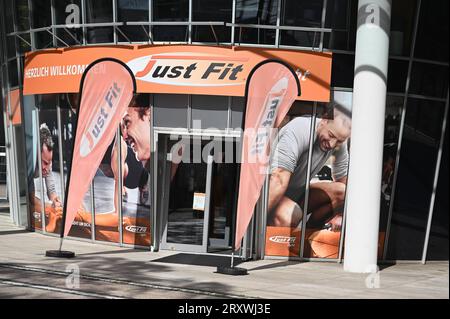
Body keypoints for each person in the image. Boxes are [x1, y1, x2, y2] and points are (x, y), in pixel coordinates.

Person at [267, 107, 351, 231]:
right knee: (289, 215)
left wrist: (339, 214)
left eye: (339, 141)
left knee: (344, 193)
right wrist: (252, 222)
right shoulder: (299, 129)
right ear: (324, 121)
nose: (332, 144)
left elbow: (344, 180)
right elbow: (279, 179)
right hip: (271, 189)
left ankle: (309, 235)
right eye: (331, 135)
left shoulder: (338, 141)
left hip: (297, 191)